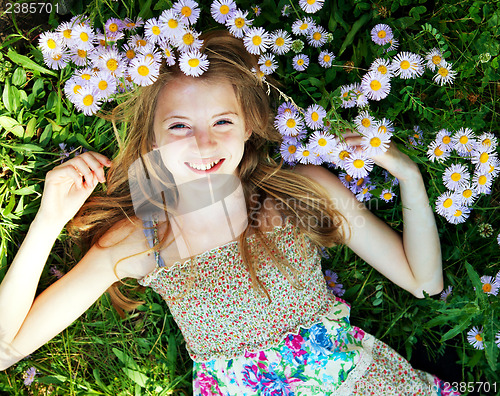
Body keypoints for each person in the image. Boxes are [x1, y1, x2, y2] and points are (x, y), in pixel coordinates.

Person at [0, 31, 458, 395]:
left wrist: (409, 176)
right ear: (153, 139)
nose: (204, 143)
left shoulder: (299, 192)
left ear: (248, 128)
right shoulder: (141, 239)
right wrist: (48, 223)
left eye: (222, 121)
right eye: (180, 126)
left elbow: (423, 282)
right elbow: (5, 349)